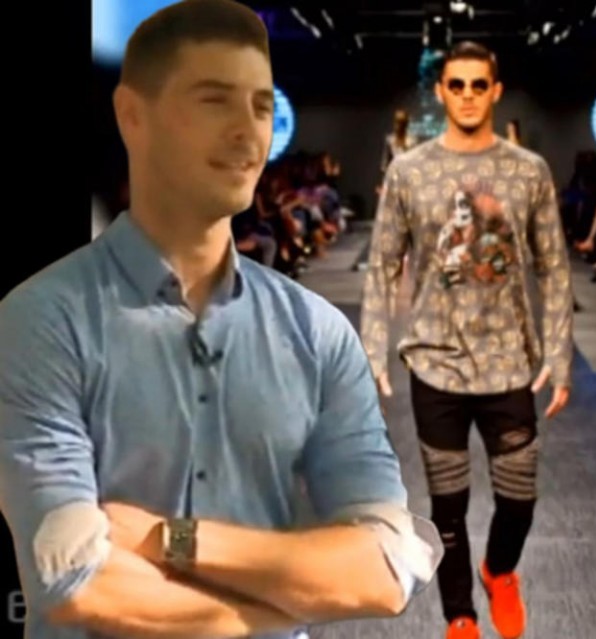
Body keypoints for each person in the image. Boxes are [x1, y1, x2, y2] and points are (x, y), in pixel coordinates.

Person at [0, 2, 441, 638]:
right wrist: (283, 606)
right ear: (132, 116)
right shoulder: (43, 321)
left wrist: (175, 540)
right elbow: (74, 582)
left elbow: (383, 568)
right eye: (214, 101)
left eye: (261, 107)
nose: (247, 132)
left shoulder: (317, 333)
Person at [360, 41, 574, 639]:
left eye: (480, 85)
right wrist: (372, 350)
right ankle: (460, 616)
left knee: (519, 500)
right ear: (442, 91)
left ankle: (499, 571)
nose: (469, 96)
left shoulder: (528, 171)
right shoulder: (409, 171)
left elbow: (555, 266)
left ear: (495, 91)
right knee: (447, 507)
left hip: (508, 363)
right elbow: (382, 265)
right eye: (457, 85)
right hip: (436, 364)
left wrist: (559, 354)